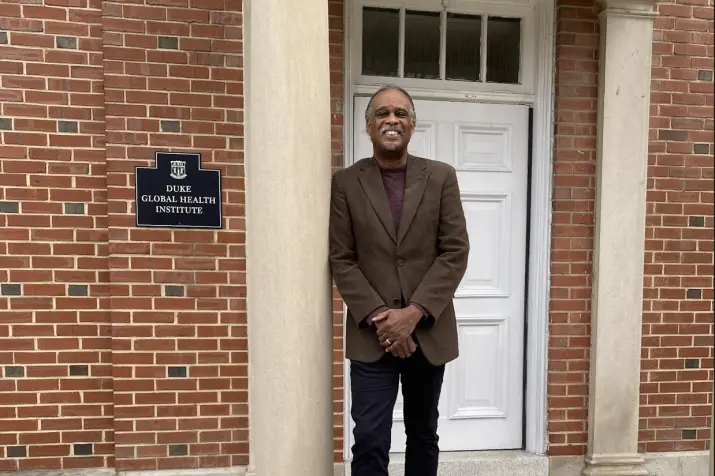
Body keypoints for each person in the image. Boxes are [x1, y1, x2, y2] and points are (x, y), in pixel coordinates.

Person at [328, 85, 470, 476]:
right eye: (383, 113)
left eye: (401, 113)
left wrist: (414, 313)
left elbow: (455, 251)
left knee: (423, 434)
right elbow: (342, 258)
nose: (392, 120)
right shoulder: (346, 183)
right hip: (372, 337)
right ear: (368, 126)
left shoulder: (440, 177)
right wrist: (384, 319)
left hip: (428, 334)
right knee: (369, 439)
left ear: (412, 125)